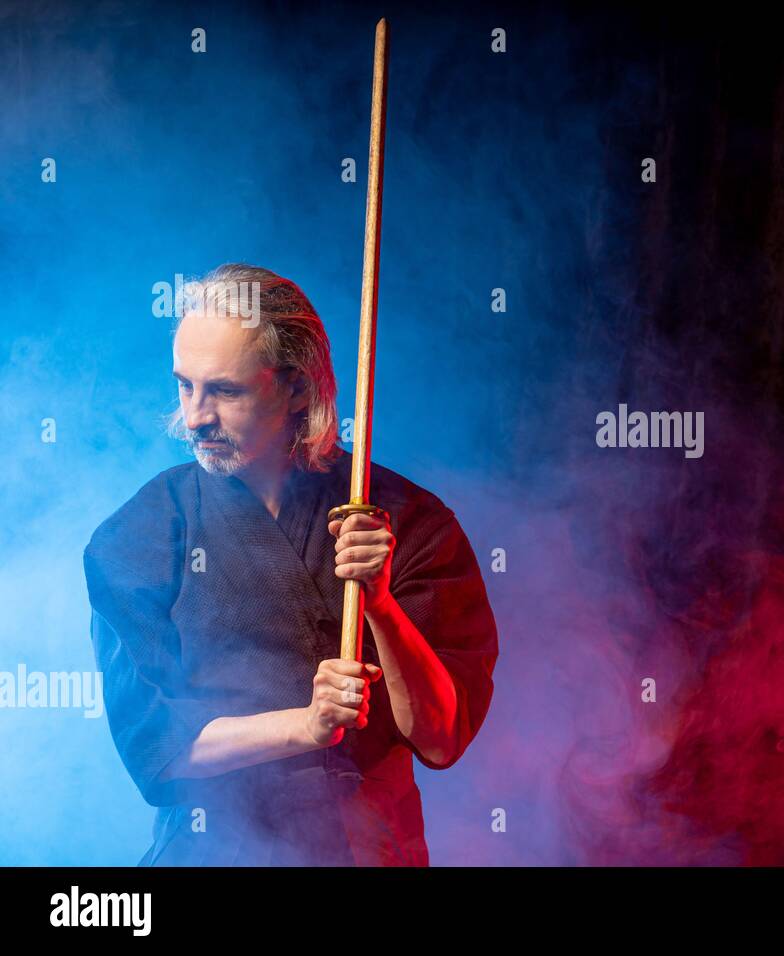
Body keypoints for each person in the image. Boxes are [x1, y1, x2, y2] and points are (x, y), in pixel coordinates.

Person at [82, 263, 498, 865]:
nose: (196, 416)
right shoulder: (142, 533)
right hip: (214, 852)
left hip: (367, 850)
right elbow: (158, 748)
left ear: (299, 388)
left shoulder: (408, 520)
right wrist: (306, 725)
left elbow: (440, 737)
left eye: (224, 390)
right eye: (184, 386)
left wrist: (378, 603)